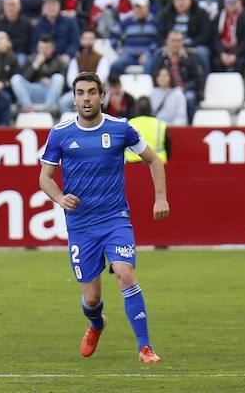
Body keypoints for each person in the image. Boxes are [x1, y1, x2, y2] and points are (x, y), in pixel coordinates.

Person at [40, 71, 169, 364]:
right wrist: (60, 197)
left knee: (125, 273)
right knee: (92, 299)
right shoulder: (60, 133)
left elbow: (154, 160)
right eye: (81, 93)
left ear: (102, 96)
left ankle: (144, 347)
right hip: (81, 225)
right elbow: (45, 178)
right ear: (73, 98)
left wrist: (160, 197)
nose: (86, 98)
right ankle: (97, 323)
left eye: (91, 92)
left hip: (115, 219)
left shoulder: (120, 129)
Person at [148, 30, 205, 118]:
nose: (176, 44)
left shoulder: (191, 56)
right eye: (173, 41)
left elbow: (198, 79)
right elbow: (154, 74)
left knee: (190, 98)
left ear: (182, 42)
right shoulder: (160, 56)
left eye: (179, 41)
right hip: (165, 89)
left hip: (185, 90)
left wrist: (185, 87)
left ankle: (189, 126)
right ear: (167, 42)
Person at [10, 34, 66, 112]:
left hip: (50, 92)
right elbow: (24, 78)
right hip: (33, 90)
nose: (43, 51)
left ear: (53, 48)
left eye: (46, 48)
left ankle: (47, 109)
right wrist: (35, 65)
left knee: (58, 78)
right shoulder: (30, 59)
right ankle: (29, 109)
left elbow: (64, 83)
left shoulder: (59, 61)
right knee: (15, 78)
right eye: (41, 48)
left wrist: (50, 81)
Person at [110, 0, 158, 76]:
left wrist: (148, 53)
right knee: (115, 66)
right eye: (136, 7)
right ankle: (116, 88)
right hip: (129, 55)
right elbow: (113, 35)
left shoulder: (155, 22)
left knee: (150, 66)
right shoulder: (127, 22)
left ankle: (147, 88)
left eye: (140, 7)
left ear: (147, 7)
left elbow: (158, 41)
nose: (138, 10)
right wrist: (119, 49)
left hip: (147, 55)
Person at [213, 0, 245, 73]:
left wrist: (235, 54)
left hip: (240, 50)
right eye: (228, 2)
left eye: (234, 1)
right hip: (223, 50)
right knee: (216, 62)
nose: (231, 4)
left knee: (240, 62)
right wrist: (222, 53)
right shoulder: (219, 17)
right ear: (224, 3)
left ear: (240, 2)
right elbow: (215, 38)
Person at [125, 97, 172, 165]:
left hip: (132, 165)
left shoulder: (129, 123)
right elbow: (168, 148)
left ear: (136, 109)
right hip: (158, 164)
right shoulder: (160, 124)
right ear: (150, 109)